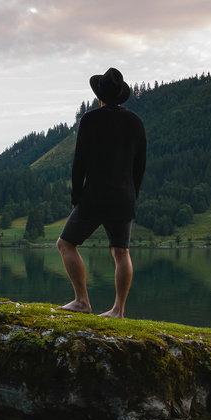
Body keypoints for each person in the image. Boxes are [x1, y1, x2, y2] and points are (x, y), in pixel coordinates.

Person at [56, 67, 146, 317]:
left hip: (94, 197)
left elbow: (79, 163)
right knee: (122, 252)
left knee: (65, 244)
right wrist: (132, 197)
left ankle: (82, 301)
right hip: (123, 199)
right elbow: (139, 167)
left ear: (100, 96)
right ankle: (118, 310)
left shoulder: (90, 119)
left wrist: (76, 197)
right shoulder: (136, 123)